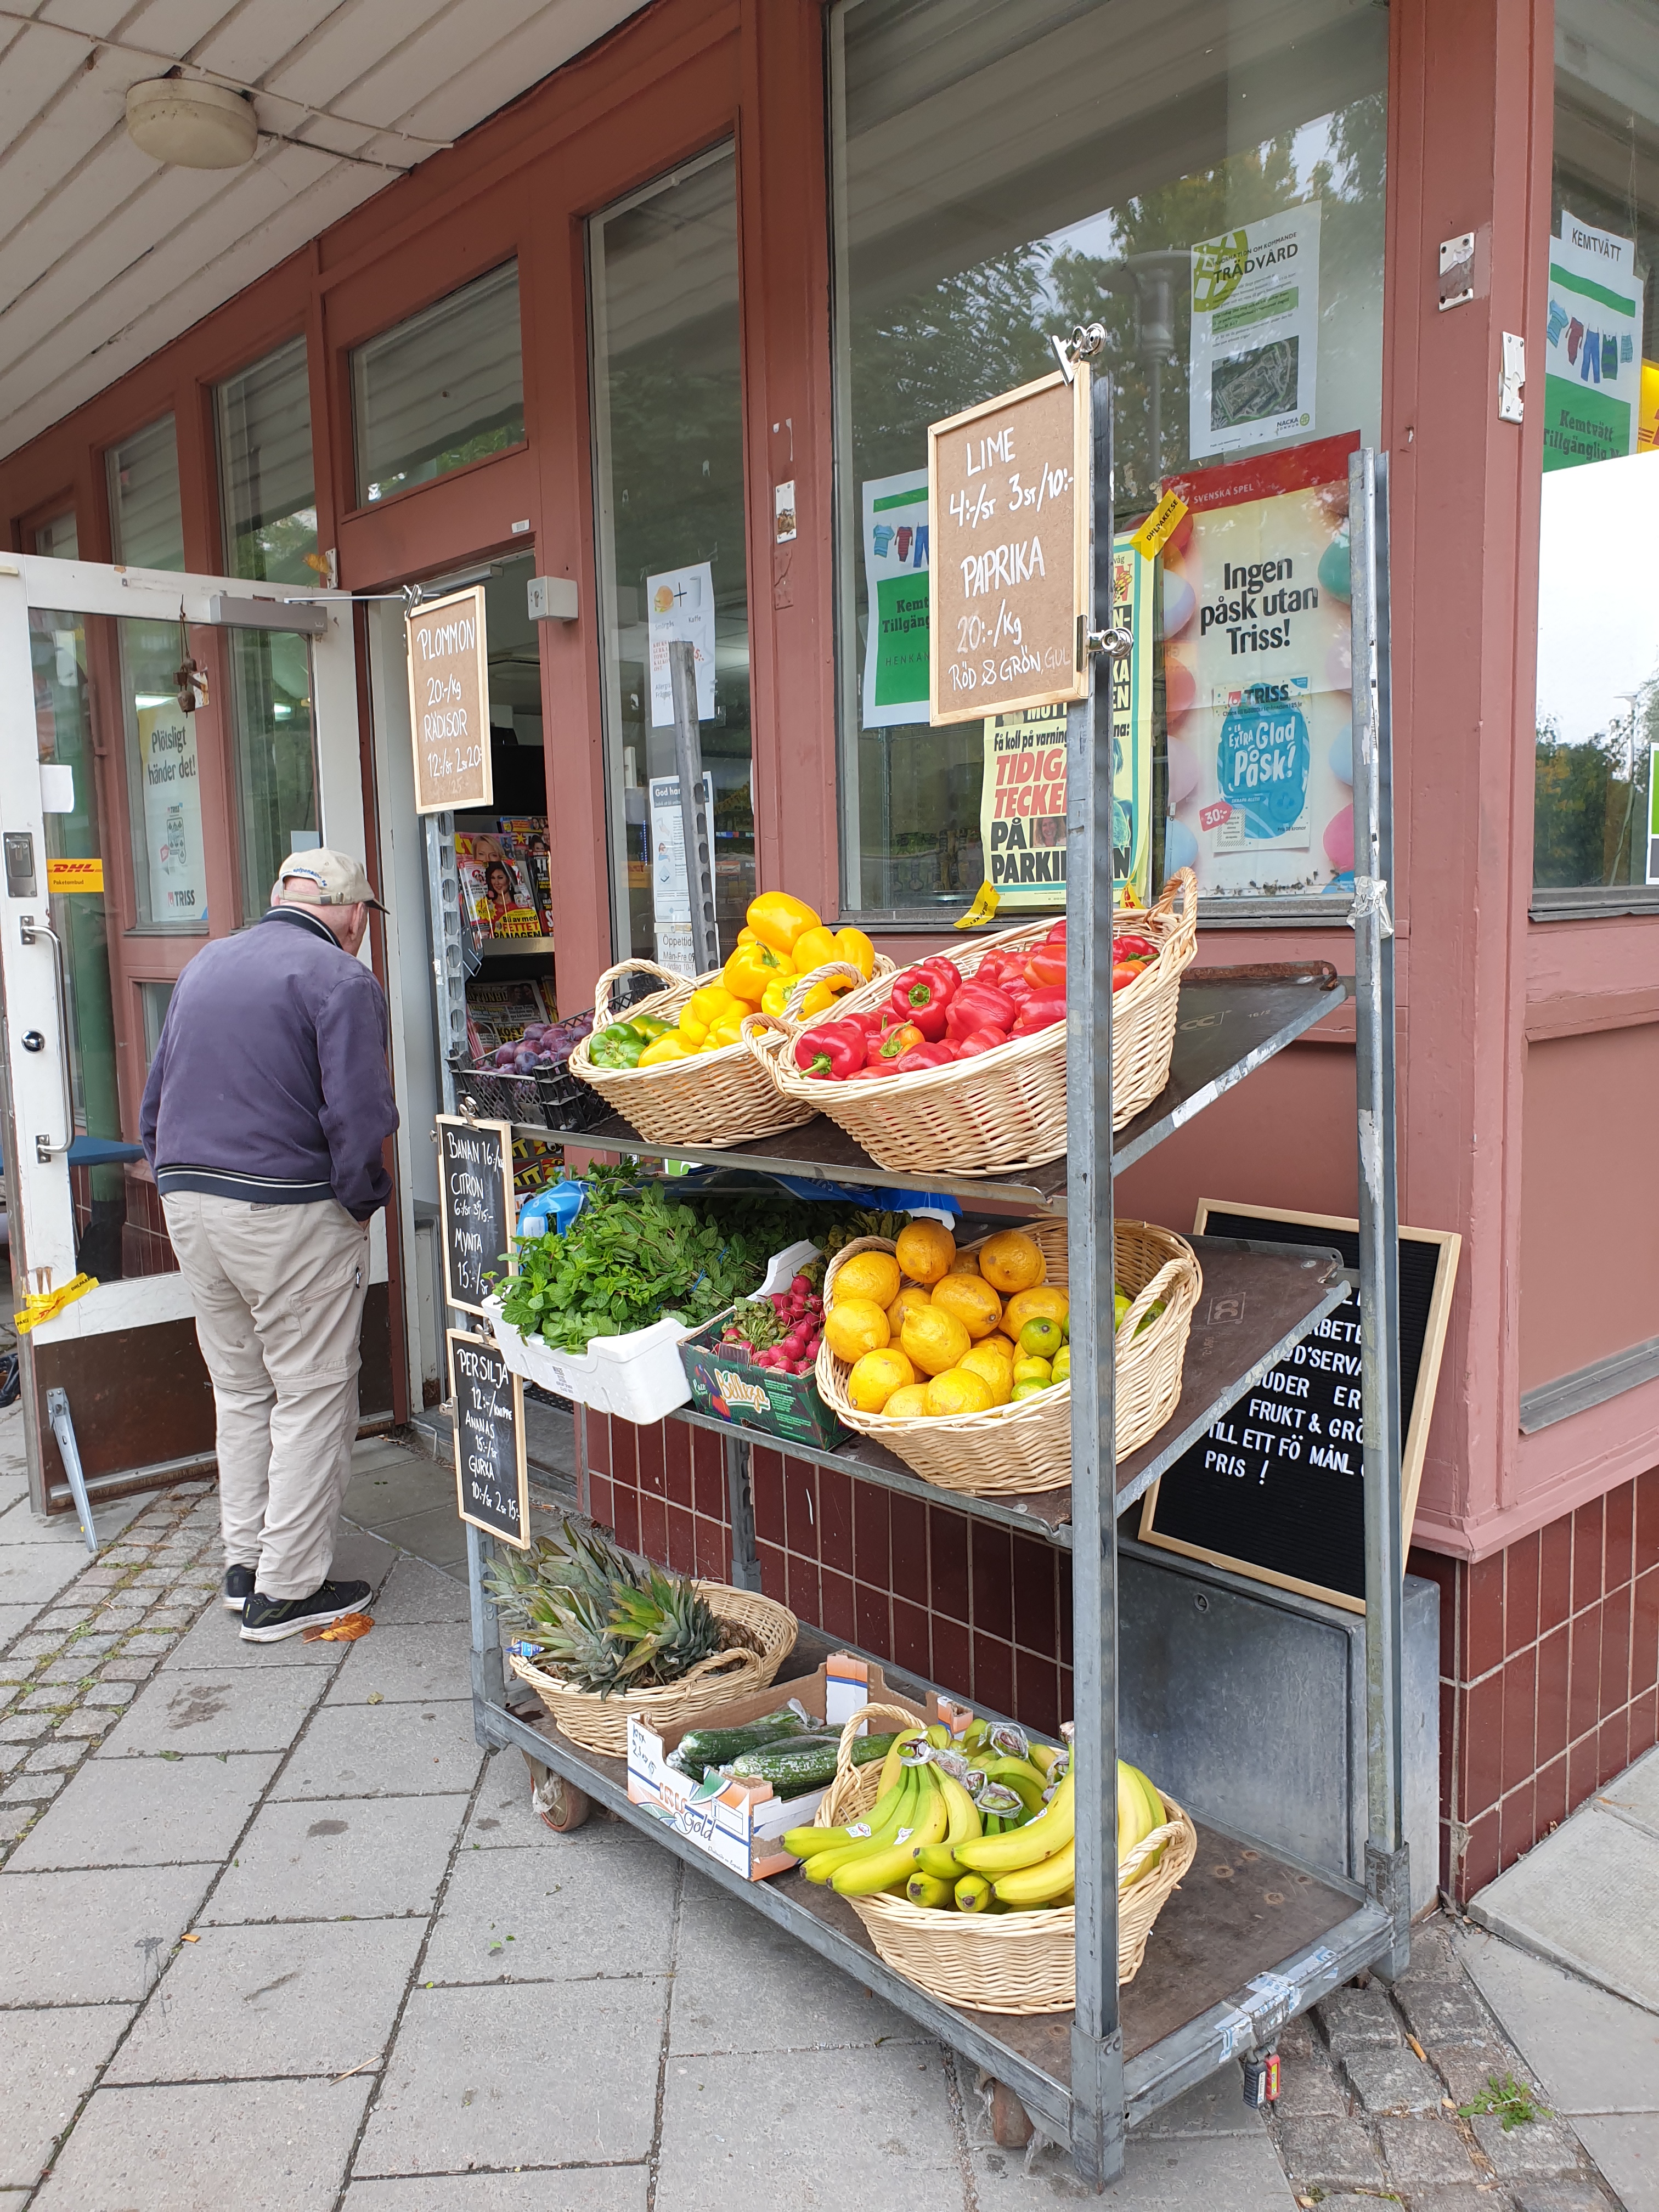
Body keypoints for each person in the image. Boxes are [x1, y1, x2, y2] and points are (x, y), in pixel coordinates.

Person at [140, 850, 399, 1642]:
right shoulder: (342, 979)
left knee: (242, 1389)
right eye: (365, 918)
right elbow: (359, 1113)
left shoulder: (207, 963)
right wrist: (363, 1201)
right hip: (285, 1207)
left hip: (189, 1199)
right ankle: (286, 1592)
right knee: (313, 1390)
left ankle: (245, 1563)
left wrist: (175, 1180)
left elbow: (155, 1101)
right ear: (352, 913)